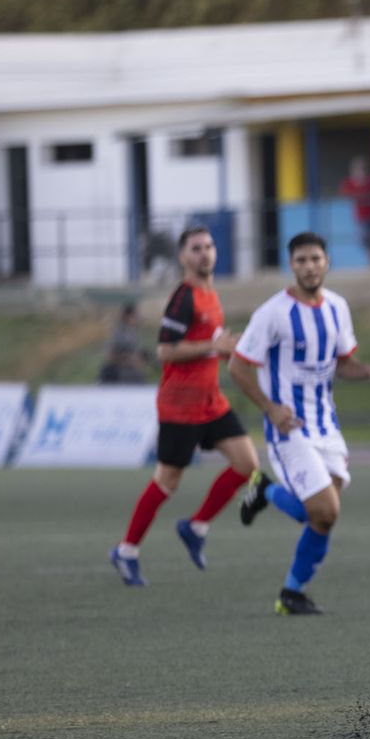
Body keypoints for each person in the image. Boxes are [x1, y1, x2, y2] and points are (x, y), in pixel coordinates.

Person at [228, 233, 370, 615]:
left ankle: (291, 593)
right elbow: (237, 366)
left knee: (323, 517)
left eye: (315, 259)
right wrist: (271, 408)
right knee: (323, 510)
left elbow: (343, 362)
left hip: (327, 426)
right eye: (301, 260)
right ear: (292, 265)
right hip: (289, 428)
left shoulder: (337, 307)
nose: (309, 266)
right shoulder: (272, 313)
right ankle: (266, 490)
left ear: (327, 262)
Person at [109, 226, 259, 587]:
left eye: (209, 246)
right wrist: (215, 348)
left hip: (211, 401)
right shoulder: (183, 297)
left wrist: (228, 353)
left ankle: (196, 526)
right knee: (167, 481)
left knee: (247, 464)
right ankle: (126, 551)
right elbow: (165, 350)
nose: (205, 253)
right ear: (183, 257)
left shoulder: (212, 295)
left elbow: (213, 344)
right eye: (196, 248)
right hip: (179, 405)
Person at [339, 157, 370, 268]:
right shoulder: (351, 183)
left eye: (362, 169)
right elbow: (344, 192)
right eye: (357, 170)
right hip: (361, 217)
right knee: (362, 238)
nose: (360, 172)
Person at [98, 304, 150, 384]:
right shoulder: (118, 333)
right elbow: (109, 355)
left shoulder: (133, 333)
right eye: (136, 315)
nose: (139, 318)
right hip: (117, 377)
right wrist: (131, 360)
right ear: (128, 316)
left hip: (131, 376)